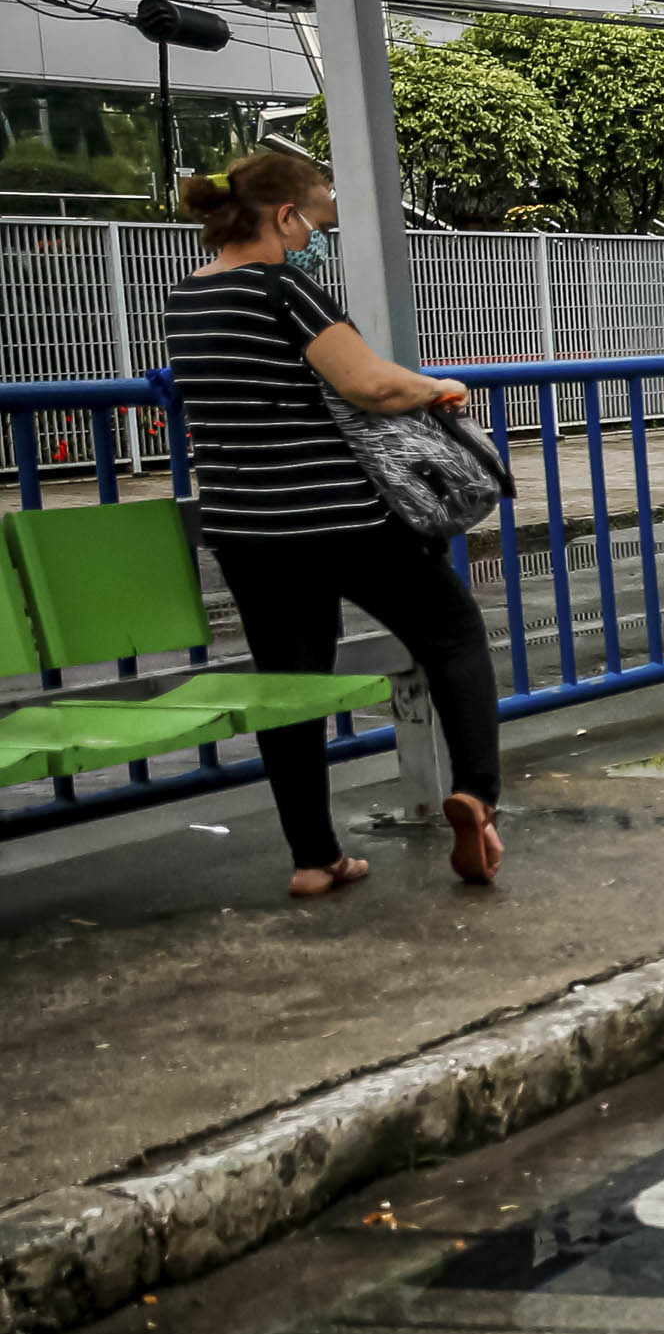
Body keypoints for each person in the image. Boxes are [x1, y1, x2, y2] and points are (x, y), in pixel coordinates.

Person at [158, 147, 509, 894]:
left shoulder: (184, 297)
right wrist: (439, 385)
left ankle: (314, 859)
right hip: (337, 516)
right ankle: (478, 794)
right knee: (451, 631)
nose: (314, 234)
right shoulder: (282, 285)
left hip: (244, 526)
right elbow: (370, 384)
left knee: (290, 683)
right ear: (283, 215)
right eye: (315, 218)